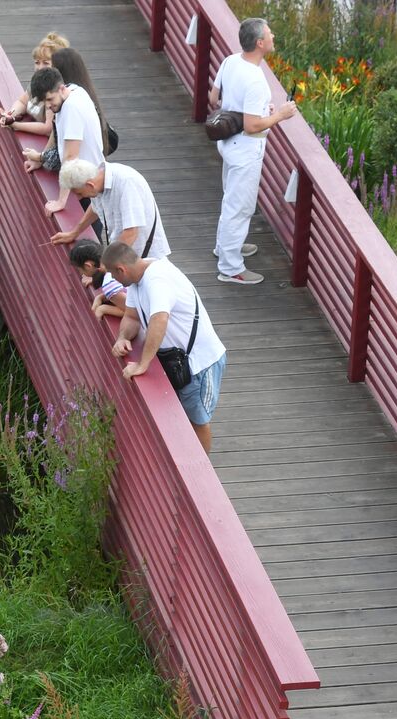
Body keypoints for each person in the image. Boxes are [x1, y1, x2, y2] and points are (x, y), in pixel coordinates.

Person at [101, 242, 227, 453]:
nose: (114, 281)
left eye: (113, 275)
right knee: (182, 415)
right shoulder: (136, 282)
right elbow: (131, 316)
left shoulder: (157, 279)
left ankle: (200, 473)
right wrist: (122, 337)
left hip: (199, 364)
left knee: (197, 420)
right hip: (176, 361)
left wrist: (143, 364)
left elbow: (159, 319)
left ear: (121, 269)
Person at [208, 17, 296, 286]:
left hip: (227, 144)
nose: (273, 36)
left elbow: (214, 99)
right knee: (240, 207)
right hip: (246, 150)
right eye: (270, 34)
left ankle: (225, 246)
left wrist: (254, 109)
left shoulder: (231, 61)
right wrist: (280, 114)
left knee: (231, 199)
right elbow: (252, 125)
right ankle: (231, 267)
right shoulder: (256, 79)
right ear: (260, 43)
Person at [21, 67, 104, 219]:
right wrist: (42, 158)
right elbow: (56, 130)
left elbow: (70, 157)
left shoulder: (71, 109)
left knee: (90, 233)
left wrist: (61, 201)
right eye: (44, 102)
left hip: (86, 185)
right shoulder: (74, 90)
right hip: (86, 180)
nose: (48, 106)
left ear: (61, 88)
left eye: (50, 99)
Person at [50, 160, 171, 260]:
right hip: (123, 256)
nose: (78, 197)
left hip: (147, 259)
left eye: (79, 193)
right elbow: (95, 207)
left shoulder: (126, 183)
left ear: (90, 185)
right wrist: (74, 233)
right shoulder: (97, 179)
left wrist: (106, 267)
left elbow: (131, 232)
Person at [0, 33, 71, 134]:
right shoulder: (38, 80)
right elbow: (22, 102)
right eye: (37, 62)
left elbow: (48, 128)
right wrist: (11, 115)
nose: (39, 67)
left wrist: (15, 125)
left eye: (46, 63)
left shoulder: (52, 90)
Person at [67, 241, 130, 320]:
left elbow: (133, 311)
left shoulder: (109, 285)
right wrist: (100, 297)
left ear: (88, 266)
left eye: (79, 270)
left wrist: (103, 309)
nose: (81, 273)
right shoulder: (119, 260)